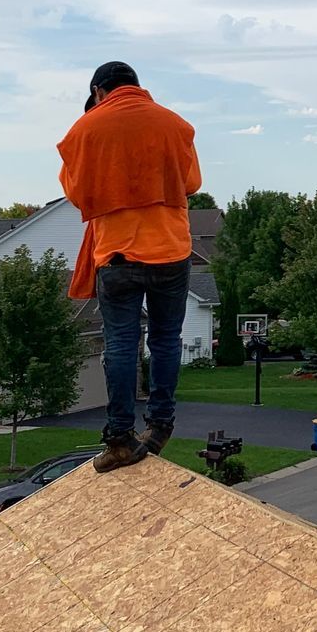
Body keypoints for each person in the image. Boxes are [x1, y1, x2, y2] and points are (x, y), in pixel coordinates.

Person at [58, 61, 203, 472]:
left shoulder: (85, 129)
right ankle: (159, 426)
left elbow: (76, 193)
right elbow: (191, 184)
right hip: (171, 251)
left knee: (121, 343)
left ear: (99, 92)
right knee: (166, 339)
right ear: (137, 86)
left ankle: (120, 438)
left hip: (117, 254)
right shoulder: (175, 125)